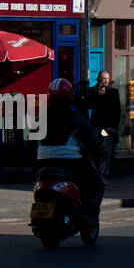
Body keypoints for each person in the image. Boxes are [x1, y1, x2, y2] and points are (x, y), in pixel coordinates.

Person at [36, 78, 104, 224]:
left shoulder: (40, 117)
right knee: (96, 184)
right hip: (70, 162)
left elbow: (29, 140)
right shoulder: (75, 118)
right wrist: (97, 152)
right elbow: (91, 141)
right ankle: (88, 216)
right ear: (70, 96)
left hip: (43, 162)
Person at [85, 70, 121, 179]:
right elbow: (89, 105)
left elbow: (117, 110)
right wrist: (99, 96)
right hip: (97, 125)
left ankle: (103, 175)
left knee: (106, 150)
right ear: (99, 79)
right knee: (96, 150)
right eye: (104, 78)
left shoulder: (113, 92)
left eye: (108, 78)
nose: (106, 81)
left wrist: (114, 127)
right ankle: (95, 174)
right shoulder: (92, 91)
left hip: (108, 126)